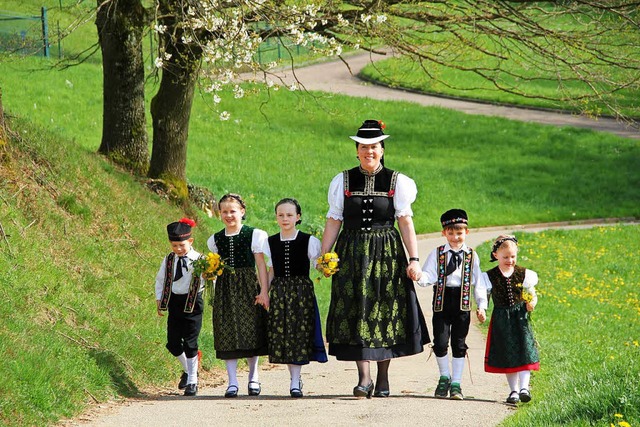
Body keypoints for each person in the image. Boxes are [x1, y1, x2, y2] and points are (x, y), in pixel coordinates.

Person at [320, 119, 430, 398]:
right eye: (364, 147)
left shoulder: (398, 181)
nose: (369, 151)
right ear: (356, 150)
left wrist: (414, 258)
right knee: (358, 311)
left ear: (382, 149)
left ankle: (383, 378)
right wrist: (325, 255)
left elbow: (405, 222)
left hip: (386, 254)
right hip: (352, 252)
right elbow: (334, 219)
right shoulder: (342, 180)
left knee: (384, 312)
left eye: (374, 146)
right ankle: (363, 378)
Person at [207, 193, 270, 398]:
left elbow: (260, 264)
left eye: (232, 211)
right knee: (227, 331)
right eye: (224, 211)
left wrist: (263, 290)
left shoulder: (254, 235)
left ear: (242, 212)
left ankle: (253, 376)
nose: (228, 215)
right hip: (225, 289)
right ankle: (232, 381)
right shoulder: (215, 239)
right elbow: (215, 269)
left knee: (250, 329)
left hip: (248, 286)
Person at [265, 198, 328, 398]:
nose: (285, 219)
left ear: (298, 217)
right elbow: (271, 270)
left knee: (299, 335)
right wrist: (264, 292)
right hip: (280, 292)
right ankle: (293, 378)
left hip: (301, 293)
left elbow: (317, 264)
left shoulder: (308, 241)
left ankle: (295, 381)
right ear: (276, 217)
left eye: (290, 215)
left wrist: (327, 266)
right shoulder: (271, 242)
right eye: (281, 215)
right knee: (285, 335)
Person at [417, 209, 481, 400]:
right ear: (444, 233)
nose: (455, 237)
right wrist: (419, 276)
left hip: (462, 304)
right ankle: (444, 377)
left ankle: (456, 384)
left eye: (459, 232)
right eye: (451, 233)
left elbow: (478, 283)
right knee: (441, 342)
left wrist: (482, 306)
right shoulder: (437, 254)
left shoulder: (472, 256)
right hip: (441, 303)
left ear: (466, 232)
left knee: (459, 344)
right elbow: (429, 275)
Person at [475, 235, 540, 404]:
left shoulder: (524, 274)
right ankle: (514, 391)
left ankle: (525, 387)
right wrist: (482, 309)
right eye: (505, 257)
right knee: (508, 355)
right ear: (496, 255)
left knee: (524, 351)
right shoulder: (489, 276)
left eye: (513, 257)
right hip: (502, 319)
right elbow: (483, 296)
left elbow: (532, 293)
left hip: (520, 317)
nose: (510, 260)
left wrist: (532, 302)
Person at [155, 217, 204, 397]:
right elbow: (160, 280)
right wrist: (159, 300)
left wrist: (211, 274)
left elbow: (209, 278)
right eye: (174, 245)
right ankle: (189, 370)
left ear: (190, 241)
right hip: (175, 303)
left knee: (191, 342)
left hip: (193, 304)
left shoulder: (200, 259)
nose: (178, 249)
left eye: (181, 245)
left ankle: (192, 381)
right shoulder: (169, 259)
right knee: (173, 343)